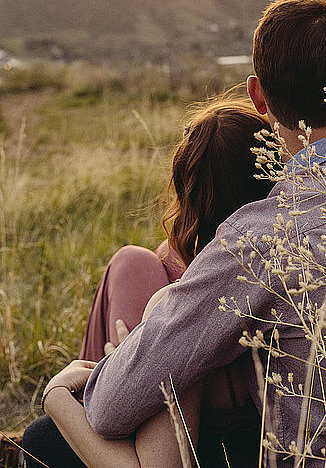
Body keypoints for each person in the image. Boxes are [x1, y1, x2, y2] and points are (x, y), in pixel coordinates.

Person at [26, 0, 326, 468]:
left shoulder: (259, 237)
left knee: (42, 439)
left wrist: (75, 385)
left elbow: (107, 407)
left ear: (257, 96)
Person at [22, 95, 274, 468]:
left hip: (185, 444)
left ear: (186, 194)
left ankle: (102, 378)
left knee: (134, 266)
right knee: (152, 261)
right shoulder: (295, 265)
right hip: (251, 430)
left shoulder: (179, 308)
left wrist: (60, 393)